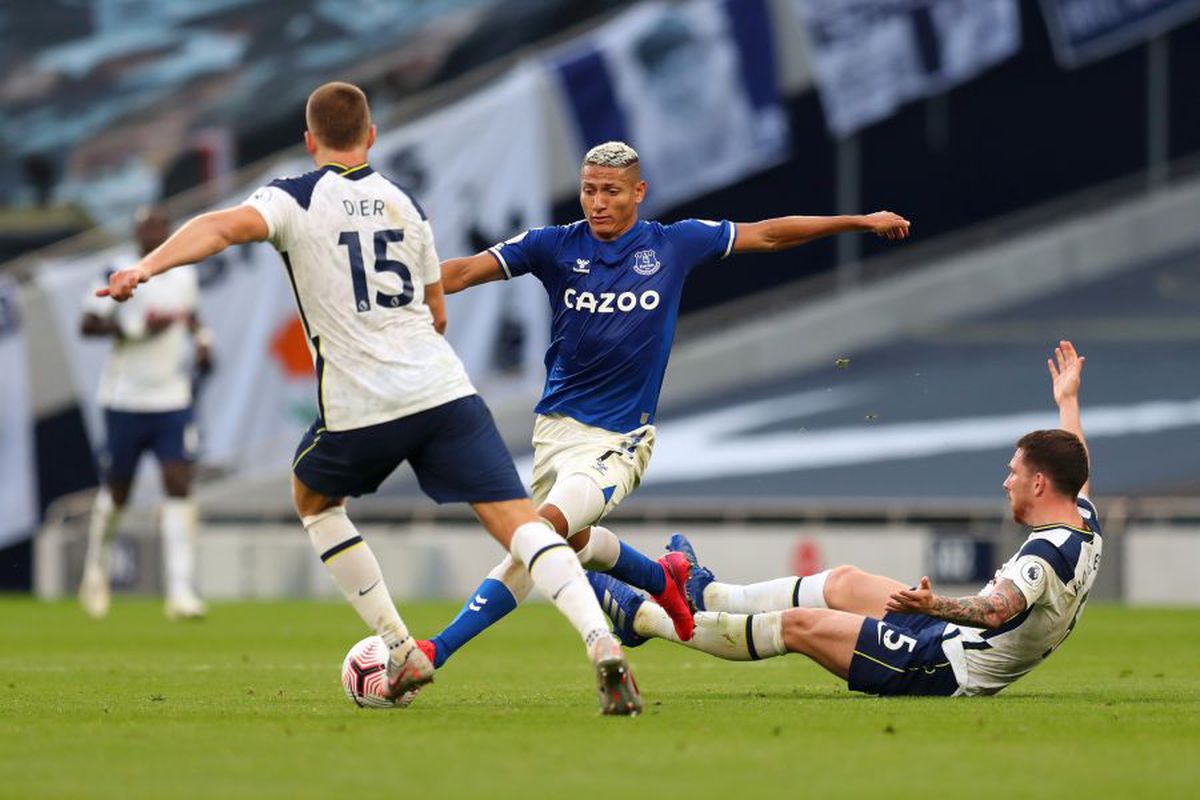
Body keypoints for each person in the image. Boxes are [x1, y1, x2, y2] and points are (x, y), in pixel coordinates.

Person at [98, 82, 641, 714]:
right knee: (520, 525)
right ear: (372, 135)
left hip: (364, 404)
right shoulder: (404, 203)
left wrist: (148, 268)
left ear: (309, 140)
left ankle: (400, 645)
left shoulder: (292, 197)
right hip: (444, 390)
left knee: (314, 498)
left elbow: (220, 228)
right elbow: (436, 312)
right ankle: (600, 640)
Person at [422, 140, 910, 672]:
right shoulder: (552, 246)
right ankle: (663, 578)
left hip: (617, 440)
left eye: (611, 191)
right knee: (577, 546)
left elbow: (767, 233)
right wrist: (395, 292)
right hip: (554, 432)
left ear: (639, 193)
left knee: (536, 538)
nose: (598, 203)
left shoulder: (675, 244)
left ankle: (434, 652)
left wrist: (859, 221)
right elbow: (466, 271)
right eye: (589, 191)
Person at [589, 341, 1100, 697]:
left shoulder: (1044, 557)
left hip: (943, 667)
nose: (1005, 481)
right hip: (946, 638)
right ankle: (707, 594)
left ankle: (642, 619)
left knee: (797, 626)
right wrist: (1068, 402)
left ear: (1039, 484)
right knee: (844, 582)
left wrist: (932, 603)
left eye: (1013, 473)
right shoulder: (1083, 518)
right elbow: (1077, 467)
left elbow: (992, 612)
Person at [78, 206, 213, 621]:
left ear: (168, 230)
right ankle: (95, 570)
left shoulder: (184, 274)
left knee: (179, 483)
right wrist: (135, 330)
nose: (152, 233)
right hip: (125, 400)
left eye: (158, 225)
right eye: (145, 228)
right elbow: (86, 324)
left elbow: (191, 317)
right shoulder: (118, 270)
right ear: (136, 234)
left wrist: (204, 339)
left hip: (171, 398)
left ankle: (180, 590)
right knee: (119, 489)